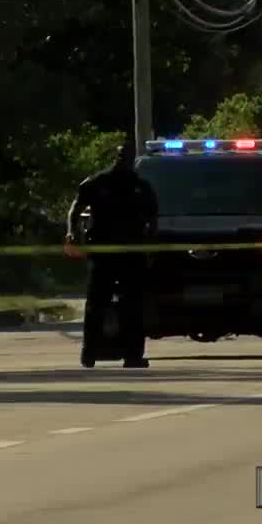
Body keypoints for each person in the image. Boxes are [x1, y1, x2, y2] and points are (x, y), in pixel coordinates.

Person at [66, 142, 159, 369]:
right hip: (104, 254)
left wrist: (150, 247)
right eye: (121, 158)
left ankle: (133, 355)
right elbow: (75, 210)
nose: (123, 162)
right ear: (116, 159)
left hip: (131, 255)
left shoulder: (140, 187)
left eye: (126, 158)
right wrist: (71, 234)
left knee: (133, 306)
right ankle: (89, 353)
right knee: (97, 304)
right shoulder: (98, 183)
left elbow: (152, 219)